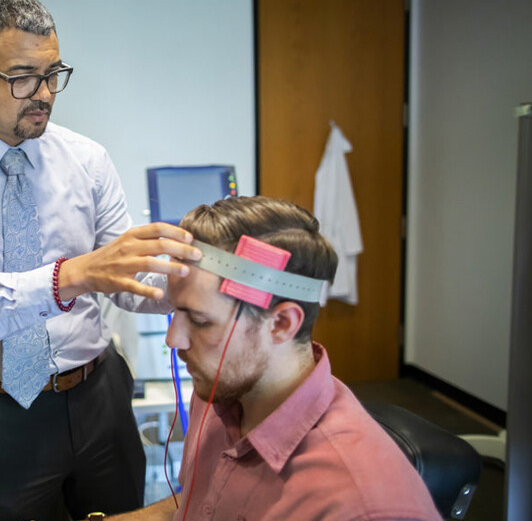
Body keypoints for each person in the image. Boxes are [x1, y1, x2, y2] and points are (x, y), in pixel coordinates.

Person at [0, 0, 202, 521]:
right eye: (22, 77)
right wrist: (74, 276)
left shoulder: (86, 159)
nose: (46, 94)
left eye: (54, 73)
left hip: (98, 394)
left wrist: (198, 286)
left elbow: (126, 285)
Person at [102, 196, 440, 521]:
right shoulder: (220, 391)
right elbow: (196, 504)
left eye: (201, 321)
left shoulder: (362, 505)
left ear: (281, 324)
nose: (173, 338)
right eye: (175, 311)